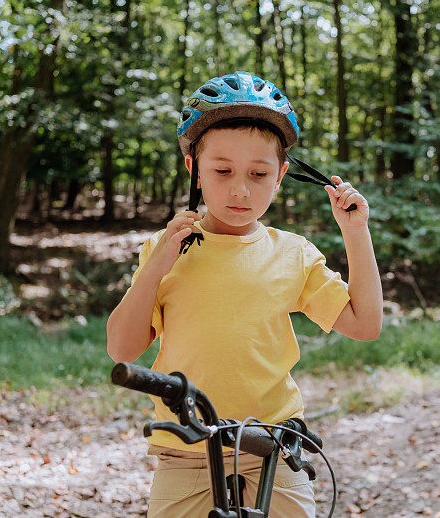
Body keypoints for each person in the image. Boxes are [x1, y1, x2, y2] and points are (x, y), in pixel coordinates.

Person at [106, 71, 383, 517]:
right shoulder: (167, 248)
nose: (240, 188)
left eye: (258, 173)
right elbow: (121, 347)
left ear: (280, 176)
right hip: (187, 446)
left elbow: (365, 324)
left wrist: (355, 233)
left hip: (272, 444)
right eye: (222, 171)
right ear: (194, 170)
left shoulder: (291, 253)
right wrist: (158, 265)